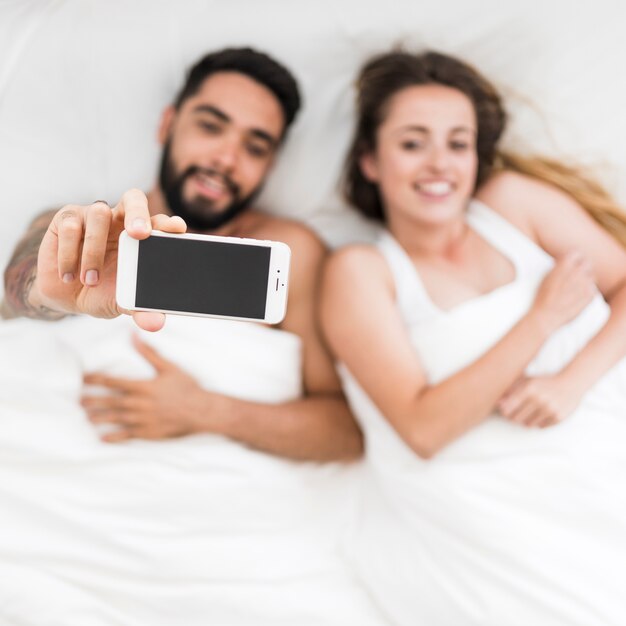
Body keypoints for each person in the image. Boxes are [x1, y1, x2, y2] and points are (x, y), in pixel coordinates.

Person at [320, 50, 626, 625]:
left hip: (602, 461)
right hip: (494, 510)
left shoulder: (514, 206)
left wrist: (570, 382)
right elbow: (423, 427)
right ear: (369, 161)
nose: (440, 164)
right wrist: (540, 321)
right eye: (413, 143)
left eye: (458, 143)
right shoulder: (362, 272)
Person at [2, 47, 362, 460]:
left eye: (255, 147)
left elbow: (343, 435)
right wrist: (43, 291)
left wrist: (204, 410)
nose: (226, 159)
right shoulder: (77, 227)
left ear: (270, 165)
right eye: (211, 126)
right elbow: (15, 296)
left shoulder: (292, 253)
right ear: (168, 125)